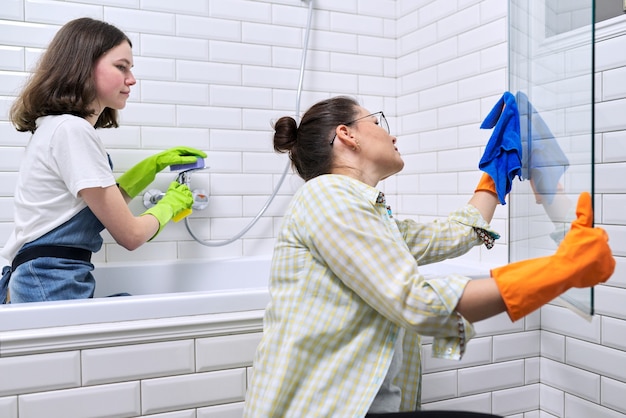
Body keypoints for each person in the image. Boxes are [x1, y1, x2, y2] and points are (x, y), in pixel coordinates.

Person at [242, 96, 615, 417]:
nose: (392, 134)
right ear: (346, 134)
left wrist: (495, 172)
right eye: (378, 121)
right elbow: (416, 302)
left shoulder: (365, 214)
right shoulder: (327, 197)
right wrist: (559, 271)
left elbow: (453, 234)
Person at [0, 17, 206, 304]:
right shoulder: (71, 130)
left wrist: (148, 169)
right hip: (48, 279)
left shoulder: (58, 127)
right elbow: (130, 235)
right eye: (121, 67)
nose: (131, 79)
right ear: (83, 65)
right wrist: (169, 205)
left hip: (41, 277)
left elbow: (90, 209)